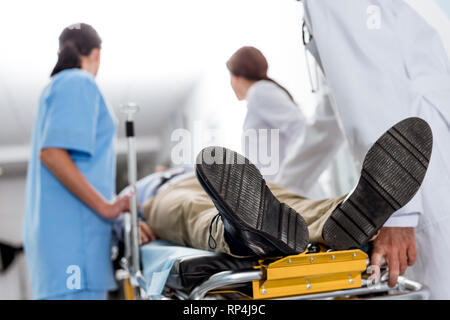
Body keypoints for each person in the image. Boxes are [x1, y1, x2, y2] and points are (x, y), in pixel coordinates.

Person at [277, 0, 450, 298]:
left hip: (420, 162)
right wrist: (281, 187)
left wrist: (395, 212)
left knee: (436, 285)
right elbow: (328, 116)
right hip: (422, 145)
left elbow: (373, 80)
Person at [133, 118, 432, 284]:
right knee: (193, 210)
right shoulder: (145, 186)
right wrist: (134, 225)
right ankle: (240, 233)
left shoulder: (204, 173)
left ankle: (344, 214)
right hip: (170, 195)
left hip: (225, 188)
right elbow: (119, 216)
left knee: (285, 204)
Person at [23, 23, 131, 300]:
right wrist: (108, 208)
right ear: (98, 52)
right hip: (74, 249)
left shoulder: (54, 89)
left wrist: (116, 219)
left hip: (63, 251)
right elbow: (52, 154)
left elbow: (82, 171)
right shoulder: (78, 82)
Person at [226, 47, 325, 199]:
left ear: (237, 78)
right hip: (285, 194)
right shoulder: (259, 96)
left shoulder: (260, 92)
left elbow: (300, 131)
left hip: (293, 194)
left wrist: (288, 180)